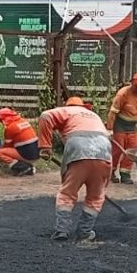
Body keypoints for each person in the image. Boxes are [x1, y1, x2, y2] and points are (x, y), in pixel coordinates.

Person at [38, 97, 112, 242]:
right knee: (96, 196)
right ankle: (84, 233)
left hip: (79, 149)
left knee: (67, 193)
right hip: (104, 151)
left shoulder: (67, 110)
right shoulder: (94, 116)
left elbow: (45, 116)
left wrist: (45, 147)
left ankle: (62, 231)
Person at [106, 72, 137, 184]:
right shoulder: (123, 94)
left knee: (131, 151)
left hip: (132, 127)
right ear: (135, 84)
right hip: (119, 126)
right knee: (117, 150)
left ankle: (125, 174)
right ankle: (110, 172)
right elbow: (112, 113)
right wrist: (110, 129)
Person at [0, 107, 45, 176]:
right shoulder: (23, 121)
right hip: (37, 152)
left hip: (28, 154)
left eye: (1, 120)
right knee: (17, 149)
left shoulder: (10, 128)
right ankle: (28, 167)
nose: (1, 123)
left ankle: (23, 167)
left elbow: (7, 145)